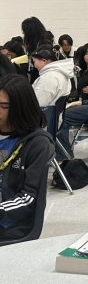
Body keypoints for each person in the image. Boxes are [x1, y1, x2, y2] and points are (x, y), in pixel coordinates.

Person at [0, 74, 54, 242]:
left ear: (20, 108)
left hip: (11, 225)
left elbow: (29, 198)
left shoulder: (37, 144)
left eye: (3, 106)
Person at [21, 17, 53, 83]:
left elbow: (42, 64)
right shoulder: (36, 42)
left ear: (30, 32)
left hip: (43, 76)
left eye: (24, 32)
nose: (23, 34)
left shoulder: (44, 44)